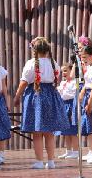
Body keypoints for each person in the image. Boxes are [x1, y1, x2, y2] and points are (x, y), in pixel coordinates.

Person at [13, 37, 69, 169]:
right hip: (50, 95)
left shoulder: (31, 63)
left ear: (34, 50)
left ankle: (39, 161)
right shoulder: (53, 63)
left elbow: (24, 82)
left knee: (37, 132)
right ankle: (51, 161)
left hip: (36, 95)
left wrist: (17, 96)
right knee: (49, 132)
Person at [56, 65, 79, 158]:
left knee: (72, 130)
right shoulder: (62, 83)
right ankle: (68, 151)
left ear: (71, 71)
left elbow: (75, 93)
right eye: (62, 71)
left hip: (71, 104)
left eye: (65, 71)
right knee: (65, 130)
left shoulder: (75, 82)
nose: (64, 73)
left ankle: (76, 151)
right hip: (64, 105)